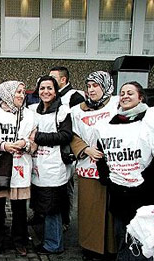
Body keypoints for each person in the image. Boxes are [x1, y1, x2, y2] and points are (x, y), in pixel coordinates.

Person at [96, 81, 154, 261]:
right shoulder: (110, 123)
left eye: (130, 93)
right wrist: (107, 177)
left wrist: (145, 179)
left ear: (141, 97)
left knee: (140, 234)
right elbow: (102, 152)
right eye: (122, 93)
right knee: (121, 232)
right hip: (119, 189)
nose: (125, 96)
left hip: (146, 189)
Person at [0, 80, 37, 259]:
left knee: (20, 208)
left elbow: (34, 143)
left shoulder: (30, 116)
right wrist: (3, 146)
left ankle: (19, 241)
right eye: (17, 92)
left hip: (21, 166)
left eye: (22, 92)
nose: (21, 95)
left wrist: (25, 143)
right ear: (6, 94)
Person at [70, 71, 118, 261]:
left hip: (114, 166)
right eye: (89, 86)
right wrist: (85, 149)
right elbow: (71, 135)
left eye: (95, 86)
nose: (91, 90)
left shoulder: (117, 105)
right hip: (88, 165)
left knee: (111, 210)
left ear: (105, 86)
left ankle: (111, 249)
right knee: (89, 209)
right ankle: (90, 247)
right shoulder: (77, 111)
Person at [30, 75, 73, 255]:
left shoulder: (62, 112)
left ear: (56, 91)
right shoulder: (33, 110)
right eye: (42, 88)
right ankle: (48, 239)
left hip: (54, 167)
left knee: (53, 208)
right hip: (37, 166)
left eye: (49, 88)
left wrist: (39, 137)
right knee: (44, 207)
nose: (45, 92)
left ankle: (54, 244)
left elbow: (66, 136)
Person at [49, 66, 85, 232]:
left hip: (66, 150)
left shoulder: (74, 96)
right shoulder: (54, 95)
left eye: (53, 78)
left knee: (66, 186)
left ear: (63, 79)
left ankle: (65, 220)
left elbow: (77, 125)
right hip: (51, 150)